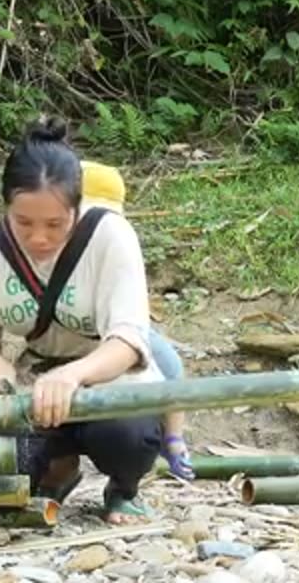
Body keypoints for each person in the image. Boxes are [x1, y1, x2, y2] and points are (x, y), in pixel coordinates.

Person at [0, 117, 164, 524]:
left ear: (77, 208)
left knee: (127, 435)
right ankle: (59, 468)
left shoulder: (112, 237)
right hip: (36, 388)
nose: (39, 239)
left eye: (55, 224)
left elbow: (128, 338)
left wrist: (73, 376)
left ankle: (123, 488)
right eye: (24, 224)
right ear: (6, 208)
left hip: (109, 381)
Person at [79, 160, 195, 481]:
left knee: (166, 364)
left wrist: (174, 439)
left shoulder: (114, 247)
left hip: (112, 337)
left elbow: (170, 369)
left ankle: (155, 458)